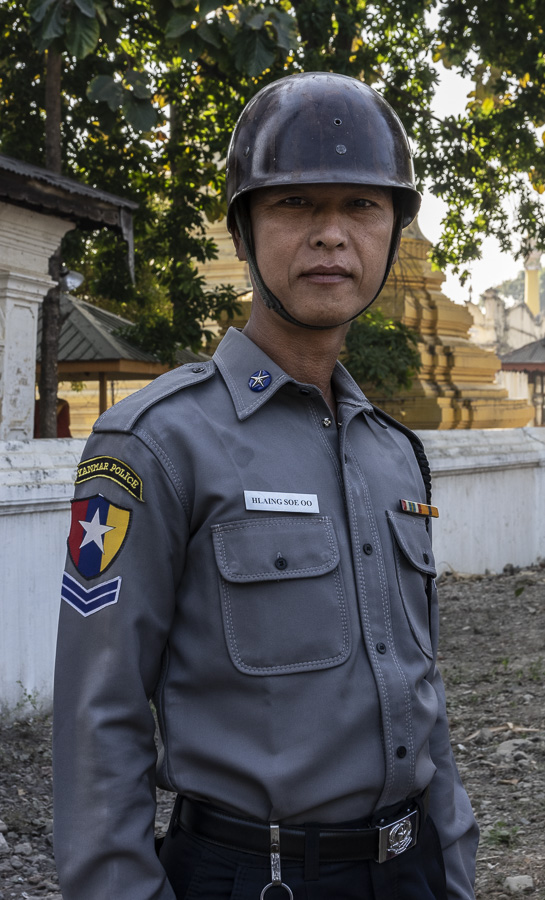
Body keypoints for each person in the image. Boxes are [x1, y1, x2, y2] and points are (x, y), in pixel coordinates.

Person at [53, 72, 479, 900]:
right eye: (294, 206)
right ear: (245, 232)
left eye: (361, 206)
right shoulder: (153, 443)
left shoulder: (394, 454)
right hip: (257, 877)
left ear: (393, 231)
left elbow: (418, 690)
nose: (331, 235)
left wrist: (453, 861)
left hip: (411, 871)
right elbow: (97, 716)